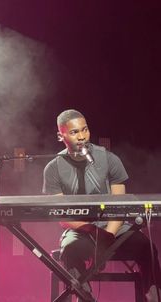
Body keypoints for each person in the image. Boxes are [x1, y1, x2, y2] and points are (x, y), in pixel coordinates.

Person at [43, 109, 161, 302]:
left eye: (85, 130)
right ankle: (84, 296)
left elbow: (120, 207)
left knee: (146, 248)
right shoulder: (53, 168)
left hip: (115, 228)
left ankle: (153, 296)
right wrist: (93, 230)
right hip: (80, 230)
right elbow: (63, 217)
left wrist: (109, 234)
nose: (81, 136)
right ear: (60, 135)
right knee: (70, 249)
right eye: (74, 132)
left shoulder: (110, 159)